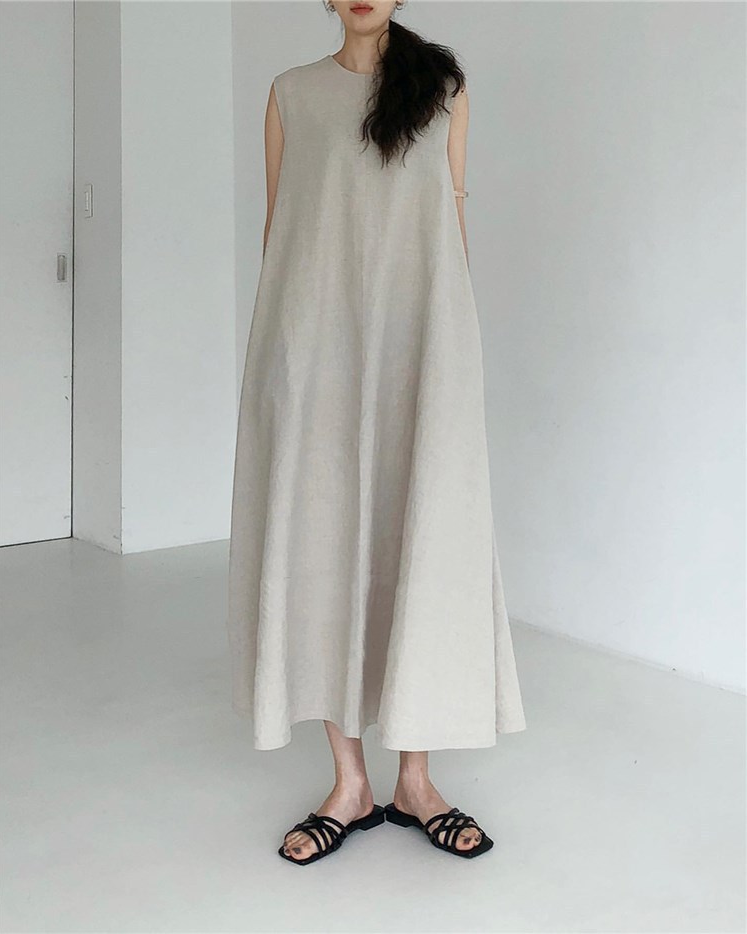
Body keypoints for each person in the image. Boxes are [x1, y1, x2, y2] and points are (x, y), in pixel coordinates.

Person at [227, 0, 527, 866]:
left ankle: (418, 781)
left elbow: (450, 221)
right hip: (315, 347)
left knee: (419, 532)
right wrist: (282, 360)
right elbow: (282, 233)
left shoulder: (443, 87)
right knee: (323, 540)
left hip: (420, 342)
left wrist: (454, 345)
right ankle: (350, 783)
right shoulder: (291, 93)